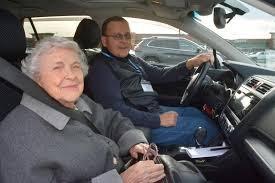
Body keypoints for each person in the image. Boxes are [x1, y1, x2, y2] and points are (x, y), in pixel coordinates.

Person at [0, 36, 166, 183]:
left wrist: (133, 142)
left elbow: (112, 120)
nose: (71, 75)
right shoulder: (15, 138)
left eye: (75, 66)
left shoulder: (78, 101)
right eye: (57, 67)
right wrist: (122, 180)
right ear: (35, 78)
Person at [85, 16, 220, 146]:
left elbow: (161, 74)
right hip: (137, 125)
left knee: (196, 113)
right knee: (206, 129)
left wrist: (190, 63)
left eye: (127, 35)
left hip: (151, 110)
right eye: (117, 36)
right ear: (104, 41)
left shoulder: (131, 60)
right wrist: (158, 120)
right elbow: (116, 110)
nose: (124, 41)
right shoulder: (101, 68)